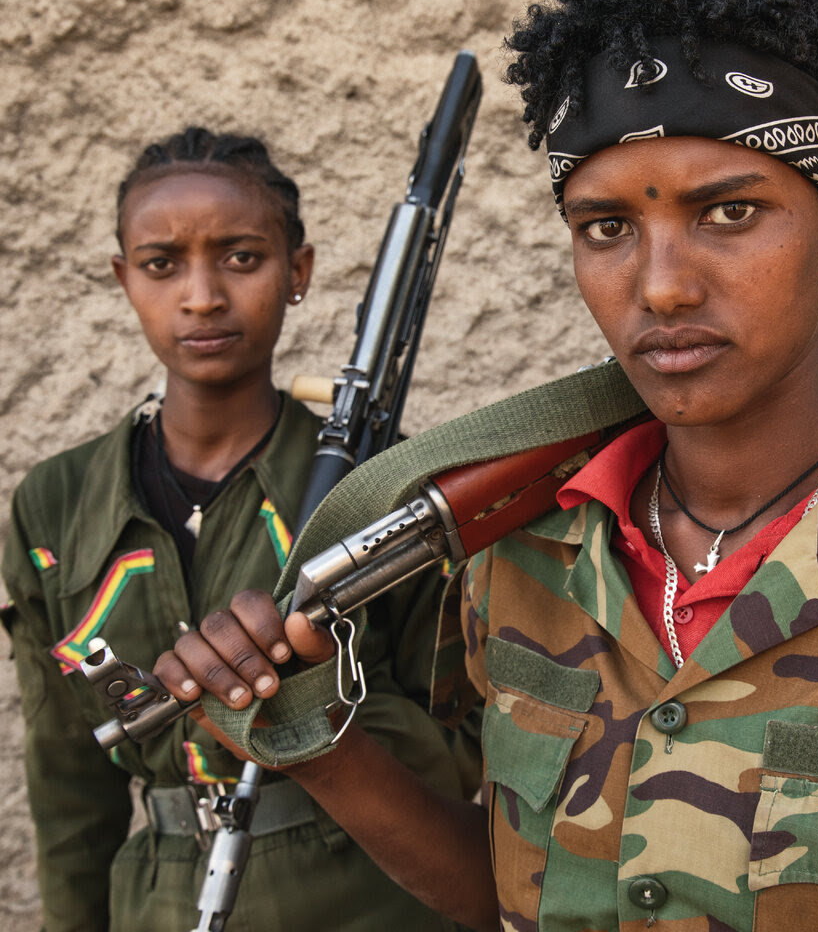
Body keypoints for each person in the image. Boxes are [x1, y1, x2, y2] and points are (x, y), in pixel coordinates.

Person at [153, 0, 818, 932]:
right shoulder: (513, 550)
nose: (659, 284)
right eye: (605, 227)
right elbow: (503, 894)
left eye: (729, 212)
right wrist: (313, 734)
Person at [1, 127, 480, 932]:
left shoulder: (386, 487)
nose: (202, 296)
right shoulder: (55, 503)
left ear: (298, 272)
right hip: (153, 905)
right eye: (162, 264)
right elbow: (68, 782)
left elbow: (459, 749)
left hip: (363, 897)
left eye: (241, 258)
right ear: (124, 279)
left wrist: (317, 704)